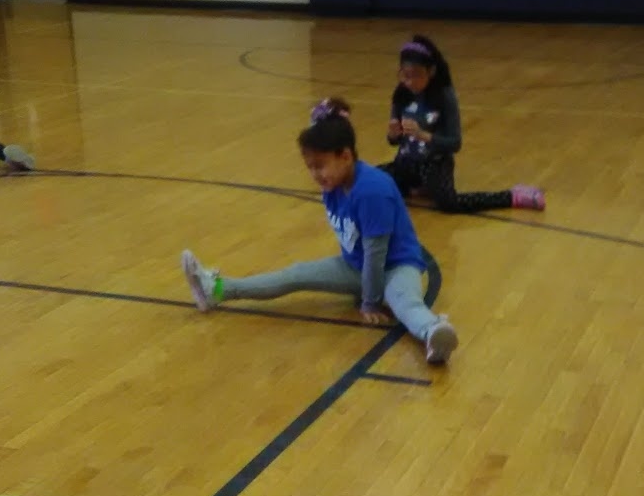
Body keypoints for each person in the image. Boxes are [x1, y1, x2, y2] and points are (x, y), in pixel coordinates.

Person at [181, 97, 459, 365]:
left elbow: (377, 256)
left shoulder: (373, 190)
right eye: (310, 167)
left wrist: (371, 302)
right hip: (356, 267)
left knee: (404, 303)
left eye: (320, 165)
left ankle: (433, 332)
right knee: (296, 274)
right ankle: (217, 290)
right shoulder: (333, 187)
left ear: (346, 156)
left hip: (397, 267)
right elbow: (361, 255)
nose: (315, 174)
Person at [380, 34, 544, 213]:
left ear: (431, 71)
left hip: (434, 163)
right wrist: (393, 134)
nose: (410, 81)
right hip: (406, 162)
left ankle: (512, 196)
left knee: (448, 204)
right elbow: (394, 141)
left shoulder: (444, 95)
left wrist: (424, 135)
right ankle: (416, 187)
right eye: (405, 75)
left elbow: (454, 143)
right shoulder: (401, 94)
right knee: (370, 181)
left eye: (417, 75)